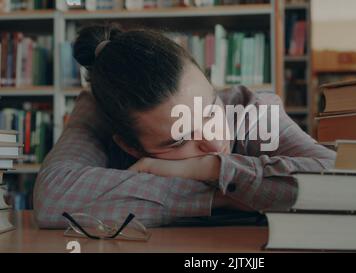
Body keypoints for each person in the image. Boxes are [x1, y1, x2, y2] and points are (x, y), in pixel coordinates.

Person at [34, 25, 336, 228]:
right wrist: (228, 196)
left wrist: (207, 169)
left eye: (210, 111)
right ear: (131, 147)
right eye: (179, 141)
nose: (215, 145)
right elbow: (52, 200)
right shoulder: (101, 122)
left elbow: (341, 178)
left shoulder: (252, 109)